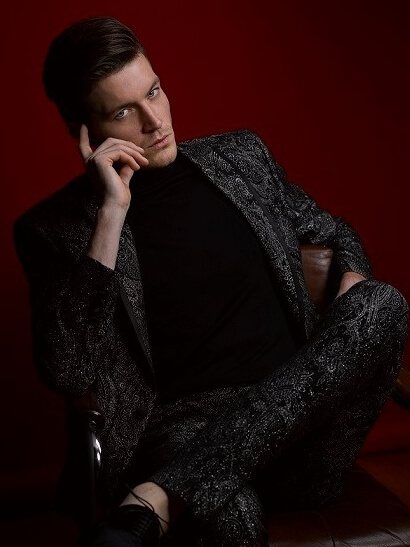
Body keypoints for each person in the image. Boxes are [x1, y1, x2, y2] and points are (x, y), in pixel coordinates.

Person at [13, 15, 408, 547]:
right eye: (124, 112)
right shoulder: (55, 229)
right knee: (229, 521)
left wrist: (349, 294)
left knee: (380, 303)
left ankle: (156, 496)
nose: (155, 120)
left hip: (305, 427)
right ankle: (175, 486)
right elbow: (69, 370)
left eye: (154, 91)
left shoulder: (240, 158)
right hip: (184, 432)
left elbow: (332, 232)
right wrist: (110, 214)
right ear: (83, 132)